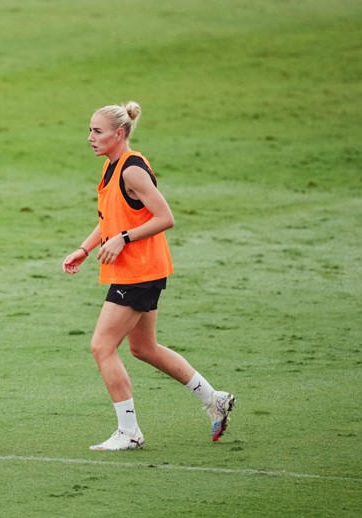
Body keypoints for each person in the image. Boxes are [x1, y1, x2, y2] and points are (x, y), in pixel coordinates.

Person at [62, 101, 236, 451]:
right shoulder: (113, 168)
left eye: (97, 131)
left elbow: (165, 217)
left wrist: (122, 240)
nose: (90, 138)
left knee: (102, 346)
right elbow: (113, 218)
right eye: (90, 130)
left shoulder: (131, 171)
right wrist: (85, 248)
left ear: (119, 133)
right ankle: (213, 398)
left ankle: (129, 432)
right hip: (138, 271)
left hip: (139, 272)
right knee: (143, 347)